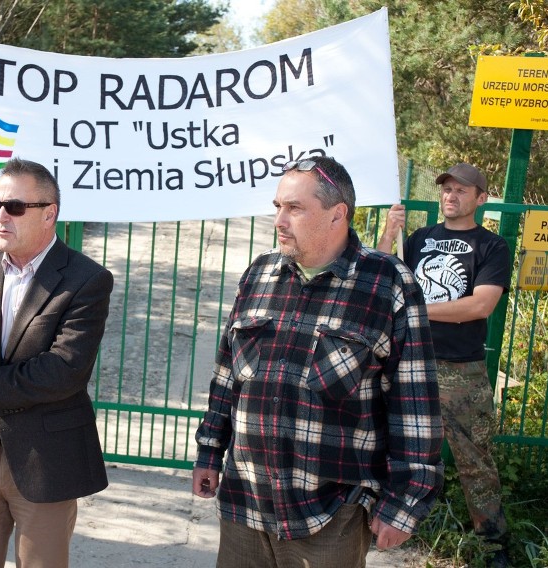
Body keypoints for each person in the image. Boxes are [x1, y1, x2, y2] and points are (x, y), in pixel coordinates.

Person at [192, 156, 444, 568]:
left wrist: (404, 504)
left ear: (337, 214)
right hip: (245, 503)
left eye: (294, 208)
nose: (279, 220)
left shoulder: (387, 283)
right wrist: (209, 451)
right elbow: (227, 378)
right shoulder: (260, 274)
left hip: (331, 511)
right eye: (277, 207)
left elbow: (413, 405)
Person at [0, 158, 113, 568]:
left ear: (50, 213)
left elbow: (65, 370)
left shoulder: (86, 279)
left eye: (15, 207)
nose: (2, 216)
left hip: (44, 462)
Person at [378, 163, 512, 566]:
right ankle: (382, 527)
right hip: (408, 362)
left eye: (461, 191)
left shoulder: (492, 247)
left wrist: (417, 309)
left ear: (480, 199)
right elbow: (382, 278)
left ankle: (493, 547)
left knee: (475, 462)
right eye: (447, 189)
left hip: (461, 370)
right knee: (387, 449)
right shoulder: (418, 239)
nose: (450, 196)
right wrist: (388, 233)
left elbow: (480, 304)